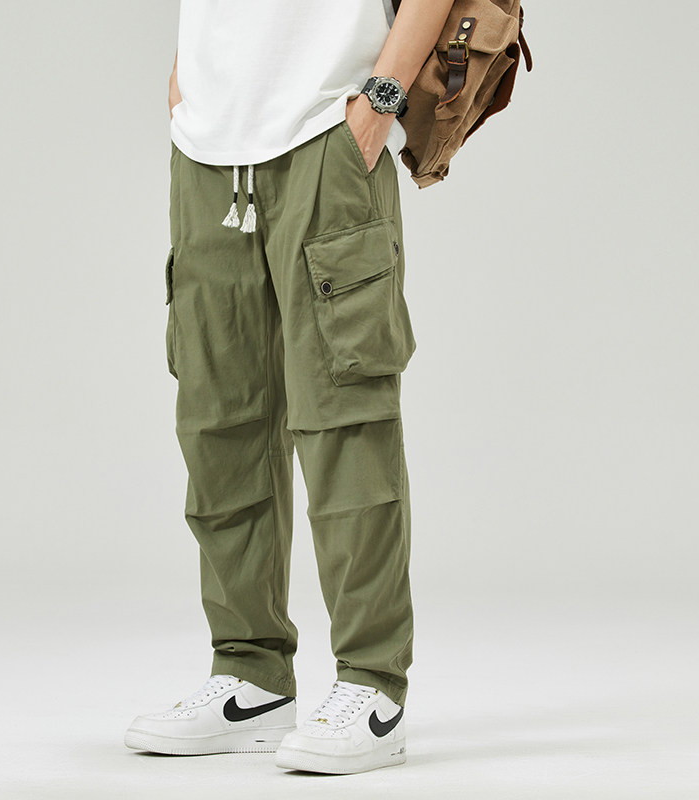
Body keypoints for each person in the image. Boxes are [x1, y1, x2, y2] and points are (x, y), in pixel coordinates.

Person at [125, 0, 454, 775]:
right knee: (217, 421)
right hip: (206, 145)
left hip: (328, 131)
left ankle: (372, 684)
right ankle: (250, 675)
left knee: (344, 414)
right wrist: (186, 78)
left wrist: (379, 102)